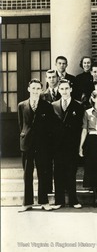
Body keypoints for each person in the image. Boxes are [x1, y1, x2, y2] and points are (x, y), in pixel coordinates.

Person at [18, 79, 55, 212]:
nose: (35, 91)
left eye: (38, 88)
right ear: (29, 89)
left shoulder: (47, 106)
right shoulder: (21, 105)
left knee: (43, 173)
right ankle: (27, 202)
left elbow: (50, 127)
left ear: (41, 90)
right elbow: (21, 125)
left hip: (42, 145)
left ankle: (43, 201)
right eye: (33, 88)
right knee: (27, 173)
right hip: (27, 144)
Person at [51, 80, 84, 209]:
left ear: (71, 89)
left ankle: (73, 200)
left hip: (72, 145)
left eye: (66, 88)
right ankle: (59, 200)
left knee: (71, 172)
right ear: (59, 90)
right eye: (62, 89)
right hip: (57, 145)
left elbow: (81, 127)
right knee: (58, 173)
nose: (64, 91)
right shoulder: (53, 105)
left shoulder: (78, 105)